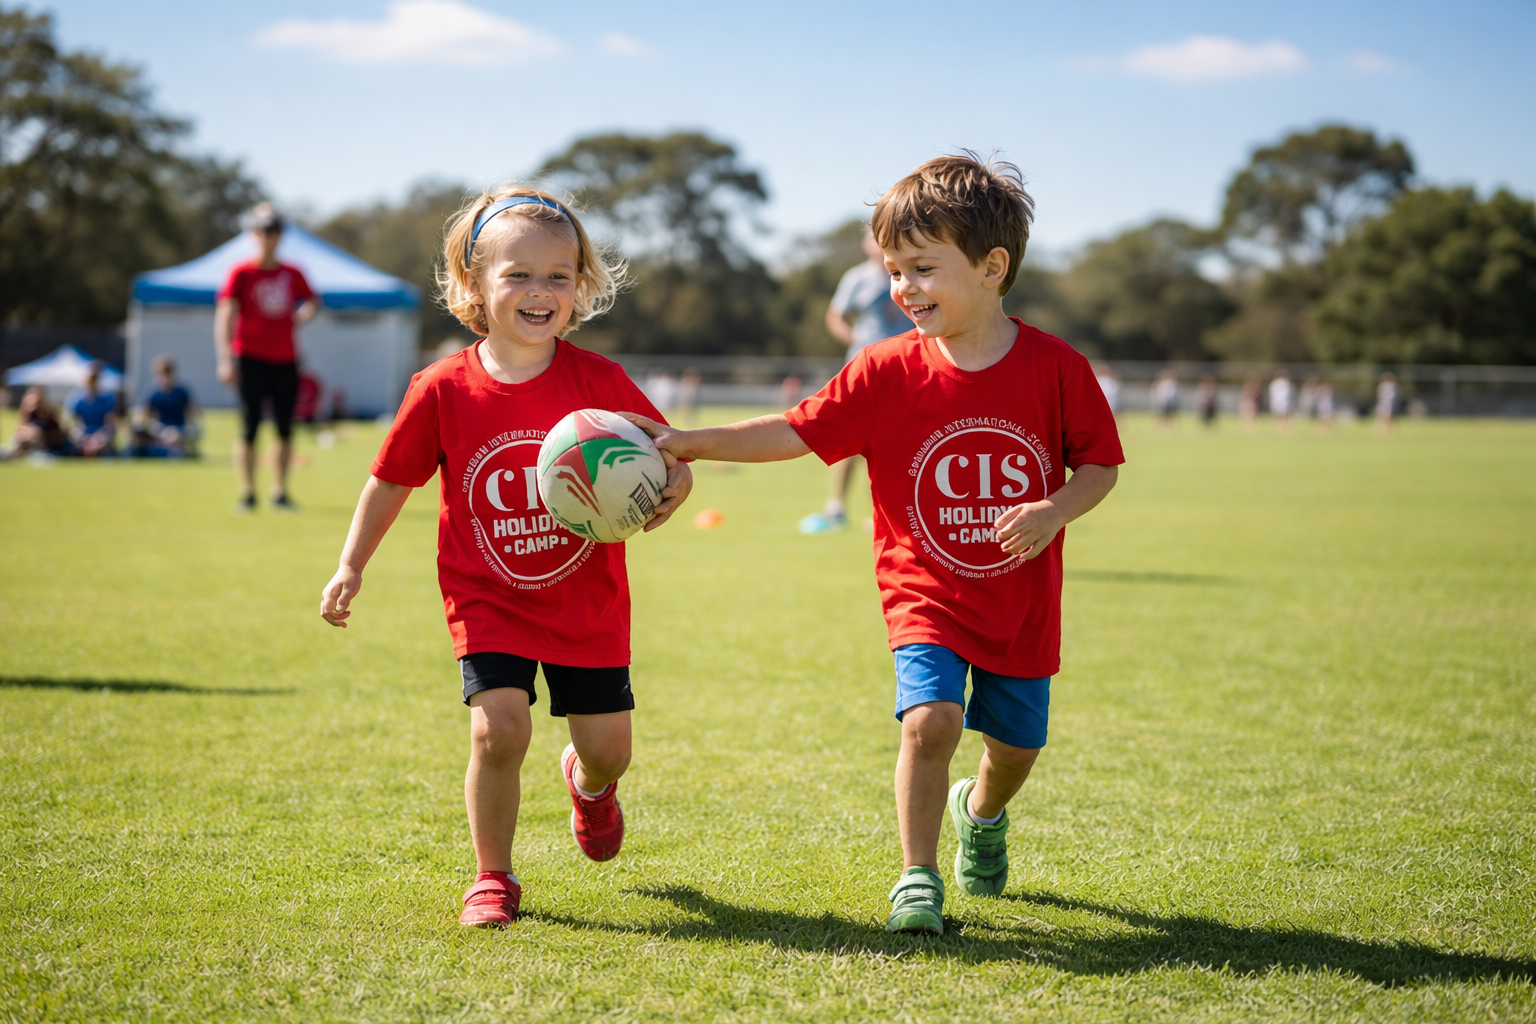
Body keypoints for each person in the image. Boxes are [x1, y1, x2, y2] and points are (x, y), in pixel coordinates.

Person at [625, 154, 1122, 935]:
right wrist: (692, 440)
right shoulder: (884, 369)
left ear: (994, 267)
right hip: (924, 590)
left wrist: (1055, 509)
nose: (904, 289)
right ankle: (917, 878)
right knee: (930, 723)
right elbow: (794, 428)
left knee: (1017, 746)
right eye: (894, 270)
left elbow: (1100, 466)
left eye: (923, 268)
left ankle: (981, 814)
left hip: (1021, 602)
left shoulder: (1057, 368)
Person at [317, 186, 693, 929]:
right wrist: (351, 564)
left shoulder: (599, 384)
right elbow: (391, 480)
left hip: (585, 602)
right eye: (517, 274)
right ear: (472, 286)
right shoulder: (442, 389)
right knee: (498, 730)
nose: (539, 291)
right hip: (487, 597)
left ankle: (590, 787)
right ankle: (493, 877)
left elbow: (668, 454)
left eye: (558, 275)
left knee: (609, 749)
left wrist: (675, 484)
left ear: (581, 287)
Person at [799, 226, 912, 534]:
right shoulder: (855, 277)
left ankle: (883, 512)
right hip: (862, 368)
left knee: (893, 442)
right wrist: (856, 341)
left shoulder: (908, 272)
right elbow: (834, 316)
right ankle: (836, 506)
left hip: (905, 368)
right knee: (848, 438)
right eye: (873, 238)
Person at [215, 202, 320, 511]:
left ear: (280, 235)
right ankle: (247, 492)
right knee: (249, 427)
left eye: (274, 230)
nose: (268, 236)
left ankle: (280, 492)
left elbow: (312, 301)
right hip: (249, 357)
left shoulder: (292, 272)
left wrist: (299, 317)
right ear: (253, 233)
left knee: (285, 427)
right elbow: (225, 315)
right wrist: (225, 359)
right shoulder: (241, 272)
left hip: (285, 359)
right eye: (263, 230)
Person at [137, 355, 200, 457]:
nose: (164, 376)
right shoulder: (152, 393)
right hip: (159, 428)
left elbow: (194, 412)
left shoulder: (181, 392)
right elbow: (143, 416)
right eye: (161, 372)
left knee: (174, 436)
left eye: (167, 372)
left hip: (179, 428)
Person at [2, 386, 74, 458]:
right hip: (29, 443)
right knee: (17, 438)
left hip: (48, 444)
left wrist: (39, 433)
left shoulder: (47, 413)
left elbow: (56, 434)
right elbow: (19, 428)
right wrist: (27, 432)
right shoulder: (26, 414)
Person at [65, 362, 119, 457]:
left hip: (102, 437)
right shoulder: (76, 399)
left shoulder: (108, 398)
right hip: (82, 438)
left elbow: (110, 425)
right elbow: (73, 425)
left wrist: (98, 439)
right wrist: (84, 438)